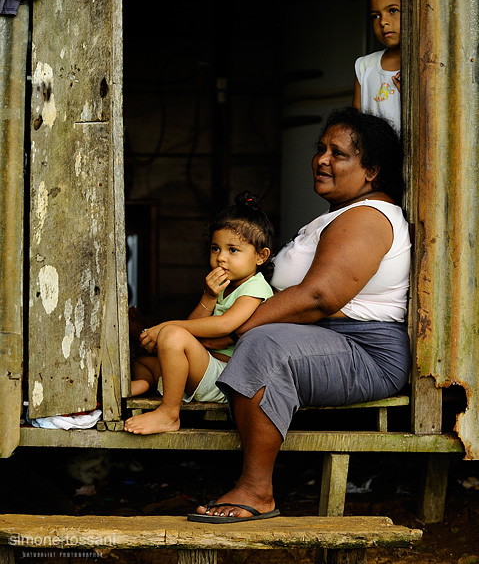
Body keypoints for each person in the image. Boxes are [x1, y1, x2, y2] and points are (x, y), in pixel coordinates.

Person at [188, 107, 411, 523]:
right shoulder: (340, 214)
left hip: (364, 350)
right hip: (327, 341)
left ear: (372, 171)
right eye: (320, 149)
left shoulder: (367, 218)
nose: (323, 159)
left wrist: (234, 331)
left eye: (339, 154)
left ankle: (257, 490)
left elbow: (318, 297)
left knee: (264, 345)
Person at [124, 191, 275, 436]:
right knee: (145, 361)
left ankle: (169, 413)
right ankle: (144, 383)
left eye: (233, 250)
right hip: (205, 368)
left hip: (225, 378)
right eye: (216, 248)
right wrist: (208, 297)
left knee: (172, 335)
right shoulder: (225, 287)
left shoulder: (255, 287)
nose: (221, 258)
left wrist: (167, 326)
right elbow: (194, 326)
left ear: (261, 256)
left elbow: (225, 325)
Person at [352, 0, 401, 132]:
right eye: (376, 16)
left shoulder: (426, 64)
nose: (383, 22)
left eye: (392, 10)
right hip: (376, 154)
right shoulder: (365, 66)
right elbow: (355, 123)